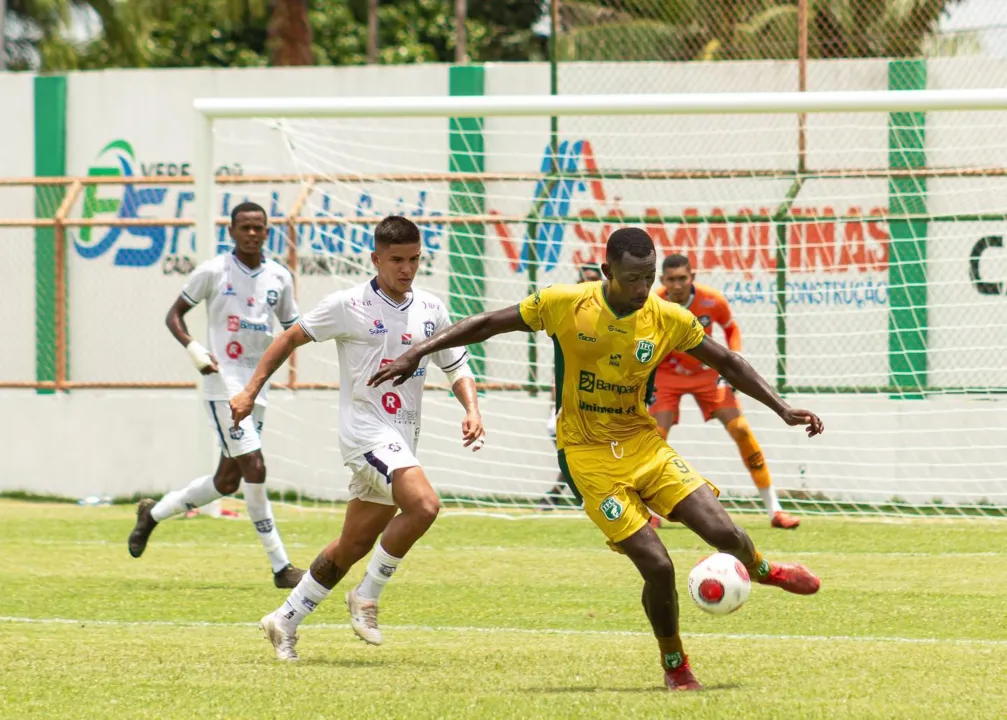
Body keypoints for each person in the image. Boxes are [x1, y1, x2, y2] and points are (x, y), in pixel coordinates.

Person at [369, 227, 823, 691]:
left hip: (642, 443)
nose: (643, 289)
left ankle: (764, 569)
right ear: (607, 271)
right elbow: (487, 323)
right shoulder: (566, 303)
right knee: (659, 566)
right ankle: (676, 666)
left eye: (649, 278)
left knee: (725, 532)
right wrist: (417, 352)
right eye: (633, 278)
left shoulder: (666, 316)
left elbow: (728, 361)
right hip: (585, 454)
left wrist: (782, 408)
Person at [230, 216, 484, 662]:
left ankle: (284, 619)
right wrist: (250, 390)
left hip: (401, 437)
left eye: (414, 260)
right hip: (365, 433)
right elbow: (289, 337)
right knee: (424, 505)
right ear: (376, 259)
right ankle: (366, 595)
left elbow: (456, 364)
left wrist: (472, 408)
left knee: (352, 545)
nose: (406, 269)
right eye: (397, 260)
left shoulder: (431, 309)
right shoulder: (349, 304)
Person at [127, 201, 304, 589]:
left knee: (228, 481)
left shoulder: (279, 277)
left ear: (267, 232)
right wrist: (194, 349)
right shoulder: (212, 271)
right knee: (254, 467)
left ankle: (152, 514)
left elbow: (291, 330)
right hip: (222, 385)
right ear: (231, 231)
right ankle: (281, 566)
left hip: (258, 385)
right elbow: (174, 315)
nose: (252, 233)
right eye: (245, 227)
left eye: (259, 227)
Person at [652, 254, 800, 529]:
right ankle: (650, 512)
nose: (677, 284)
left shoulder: (712, 300)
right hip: (667, 374)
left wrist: (732, 361)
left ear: (692, 277)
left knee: (741, 429)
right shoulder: (653, 302)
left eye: (682, 278)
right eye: (671, 279)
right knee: (655, 437)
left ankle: (774, 510)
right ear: (662, 281)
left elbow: (731, 329)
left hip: (707, 373)